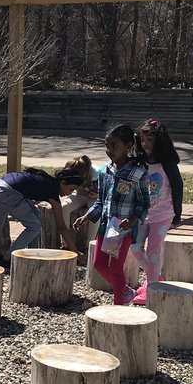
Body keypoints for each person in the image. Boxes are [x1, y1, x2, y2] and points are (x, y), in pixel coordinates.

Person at [74, 124, 150, 306]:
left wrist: (133, 220)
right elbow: (101, 201)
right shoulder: (103, 171)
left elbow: (144, 203)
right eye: (107, 146)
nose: (109, 150)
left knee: (116, 268)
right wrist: (88, 216)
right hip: (105, 227)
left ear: (128, 145)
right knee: (99, 265)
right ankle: (125, 292)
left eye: (114, 146)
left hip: (122, 231)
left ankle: (118, 306)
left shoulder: (138, 173)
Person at [0, 166, 87, 259]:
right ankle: (8, 258)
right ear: (63, 183)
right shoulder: (53, 192)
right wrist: (76, 252)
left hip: (1, 183)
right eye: (71, 189)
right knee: (34, 226)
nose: (69, 193)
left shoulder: (49, 183)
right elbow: (62, 227)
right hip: (7, 192)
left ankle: (32, 254)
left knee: (37, 217)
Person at [130, 119, 184, 305]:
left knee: (153, 251)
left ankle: (151, 287)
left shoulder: (168, 163)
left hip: (163, 214)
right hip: (143, 214)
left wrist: (177, 214)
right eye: (143, 140)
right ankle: (155, 276)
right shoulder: (140, 162)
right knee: (135, 247)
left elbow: (178, 187)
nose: (145, 145)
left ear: (159, 140)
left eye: (150, 140)